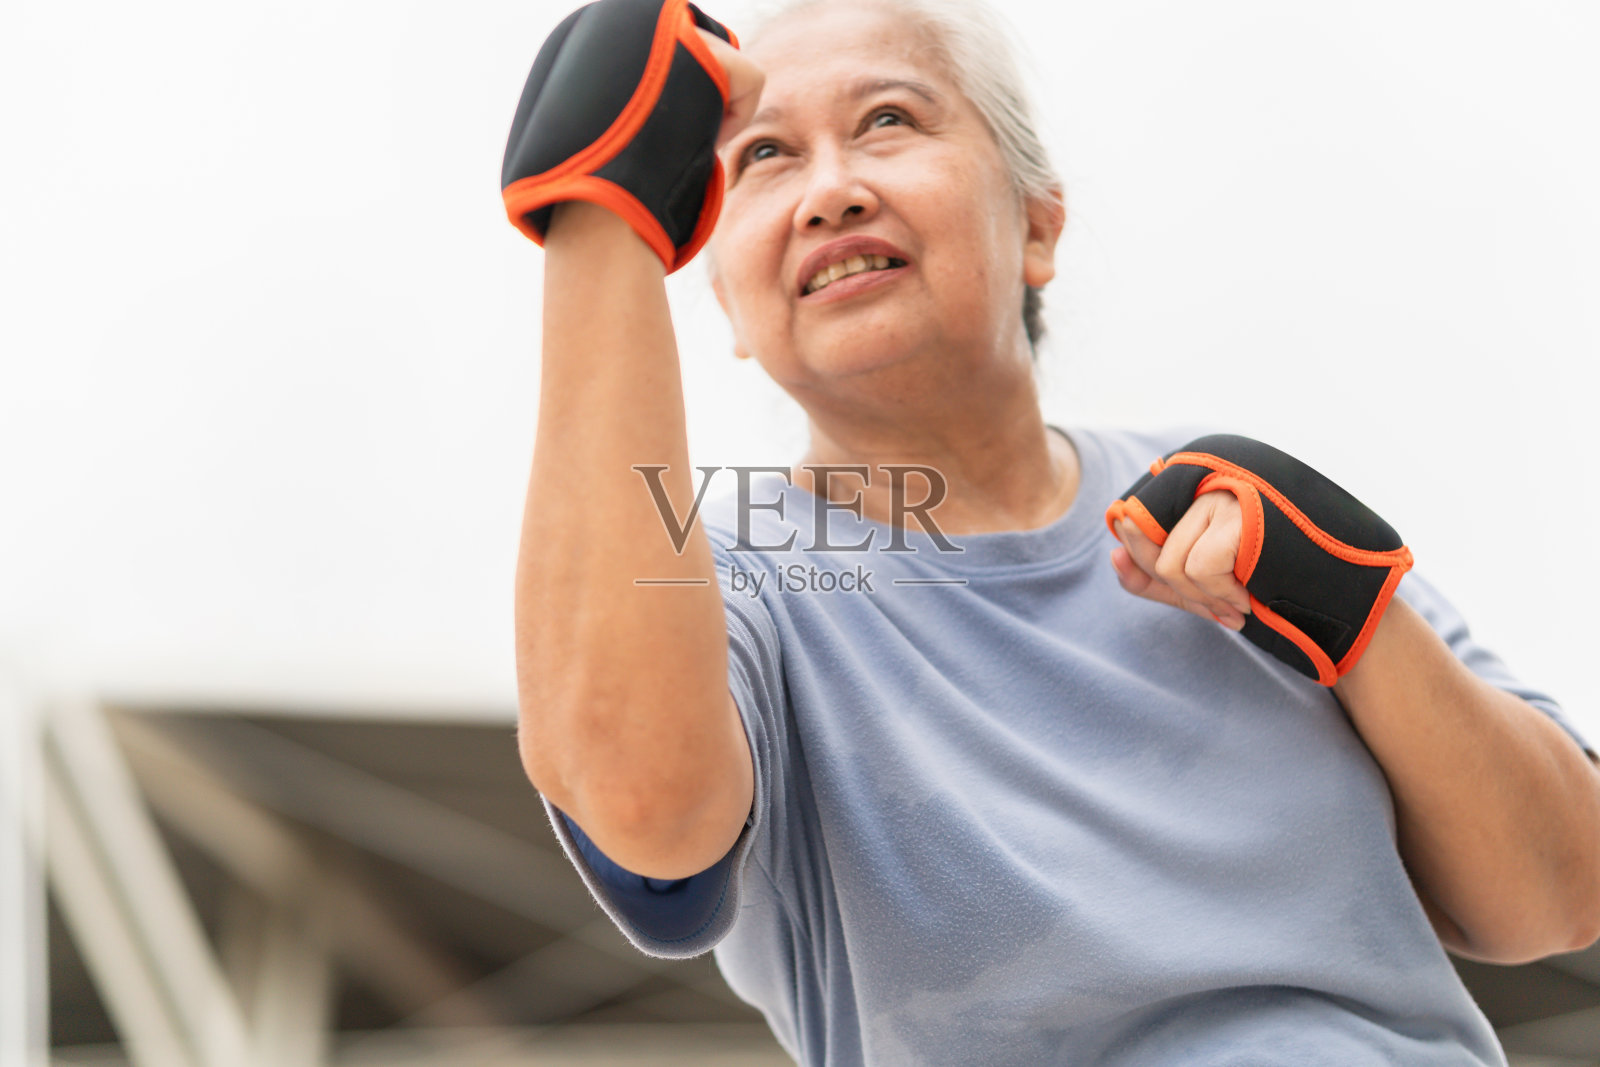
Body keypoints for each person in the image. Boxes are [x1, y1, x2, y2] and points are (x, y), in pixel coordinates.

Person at [509, 0, 1600, 1062]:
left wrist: (1353, 616)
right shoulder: (720, 585)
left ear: (1036, 226)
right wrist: (599, 216)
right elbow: (646, 808)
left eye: (888, 119)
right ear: (730, 310)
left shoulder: (1232, 507)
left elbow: (1562, 890)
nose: (831, 192)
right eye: (763, 156)